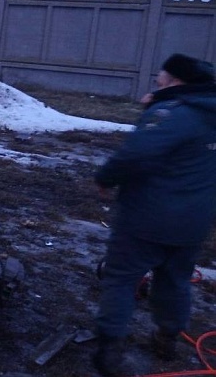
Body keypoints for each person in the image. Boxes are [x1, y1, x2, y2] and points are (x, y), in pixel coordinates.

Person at [92, 53, 216, 376]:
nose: (156, 78)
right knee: (175, 280)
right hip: (194, 221)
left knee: (120, 280)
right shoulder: (207, 112)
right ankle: (167, 338)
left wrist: (106, 177)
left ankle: (109, 352)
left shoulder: (171, 114)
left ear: (175, 80)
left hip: (146, 219)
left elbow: (137, 153)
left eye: (161, 75)